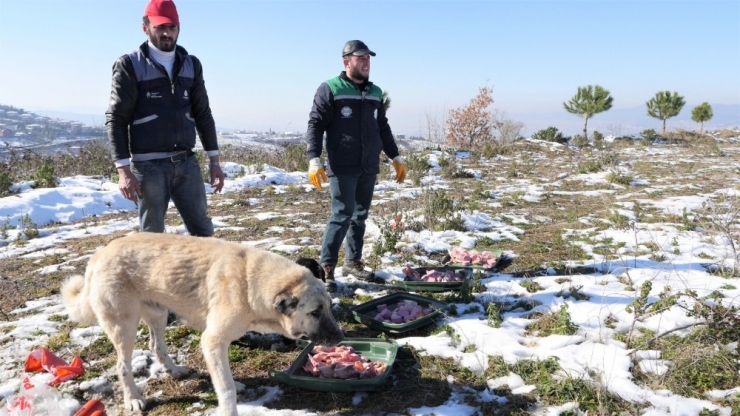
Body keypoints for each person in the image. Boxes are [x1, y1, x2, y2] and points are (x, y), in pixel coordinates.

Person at [106, 0, 224, 237]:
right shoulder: (130, 65)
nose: (166, 33)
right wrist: (123, 170)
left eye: (171, 27)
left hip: (186, 163)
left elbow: (203, 114)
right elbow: (116, 118)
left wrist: (214, 161)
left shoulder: (191, 64)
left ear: (178, 27)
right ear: (145, 27)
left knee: (204, 233)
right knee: (151, 239)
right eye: (160, 27)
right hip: (148, 168)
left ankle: (201, 276)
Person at [306, 40, 406, 292]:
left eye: (368, 58)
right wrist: (314, 158)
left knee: (360, 216)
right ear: (346, 61)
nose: (366, 62)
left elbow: (382, 126)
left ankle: (353, 262)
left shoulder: (375, 92)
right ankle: (326, 268)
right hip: (342, 164)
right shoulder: (330, 88)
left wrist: (395, 156)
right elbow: (316, 124)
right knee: (342, 214)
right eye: (360, 58)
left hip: (368, 165)